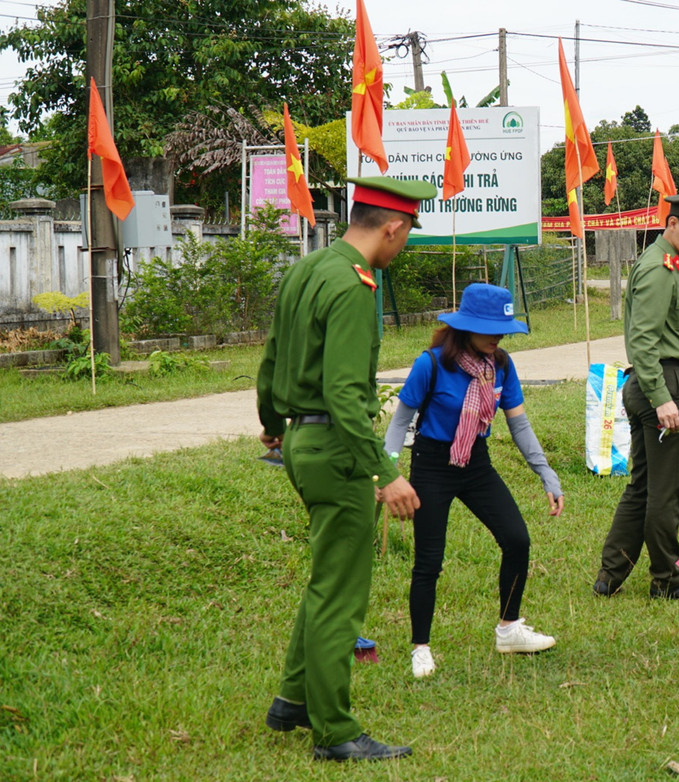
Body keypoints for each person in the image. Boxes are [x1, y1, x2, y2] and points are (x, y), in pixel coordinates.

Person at [257, 176, 435, 762]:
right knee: (341, 594)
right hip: (337, 451)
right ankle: (334, 730)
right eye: (405, 235)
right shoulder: (357, 287)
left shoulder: (307, 269)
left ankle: (292, 699)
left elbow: (271, 358)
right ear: (392, 227)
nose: (401, 246)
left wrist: (273, 422)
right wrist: (387, 473)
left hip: (300, 445)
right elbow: (344, 393)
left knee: (325, 576)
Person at [382, 283, 564, 679]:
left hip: (475, 463)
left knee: (517, 539)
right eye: (489, 328)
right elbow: (399, 423)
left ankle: (509, 629)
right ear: (465, 327)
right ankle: (421, 648)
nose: (498, 336)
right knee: (429, 561)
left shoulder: (501, 365)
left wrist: (546, 473)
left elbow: (519, 424)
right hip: (431, 464)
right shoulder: (429, 364)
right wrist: (390, 471)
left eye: (503, 329)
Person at [593, 191, 679, 600]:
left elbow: (657, 335)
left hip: (659, 377)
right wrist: (662, 397)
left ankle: (610, 576)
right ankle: (667, 581)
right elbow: (642, 341)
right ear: (671, 224)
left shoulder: (667, 262)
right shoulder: (660, 268)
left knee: (644, 485)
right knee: (667, 492)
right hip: (659, 387)